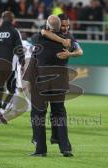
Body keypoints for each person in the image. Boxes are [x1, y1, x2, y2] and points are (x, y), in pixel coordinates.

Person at [25, 15, 75, 157]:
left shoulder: (39, 38)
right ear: (61, 26)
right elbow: (76, 49)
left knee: (38, 114)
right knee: (59, 112)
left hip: (42, 81)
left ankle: (40, 149)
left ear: (47, 25)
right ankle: (65, 148)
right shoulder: (68, 39)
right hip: (60, 81)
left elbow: (41, 34)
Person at [41, 14, 83, 145]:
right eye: (63, 25)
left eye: (68, 25)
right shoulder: (48, 33)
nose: (66, 28)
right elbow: (44, 32)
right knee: (54, 110)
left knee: (54, 110)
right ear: (58, 25)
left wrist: (69, 54)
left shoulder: (69, 37)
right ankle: (56, 139)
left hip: (54, 79)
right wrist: (62, 42)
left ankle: (50, 138)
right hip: (47, 79)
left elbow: (80, 51)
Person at [0, 11, 25, 124]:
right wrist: (22, 62)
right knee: (12, 90)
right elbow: (19, 48)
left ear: (2, 19)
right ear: (13, 20)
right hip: (10, 66)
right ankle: (1, 111)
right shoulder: (14, 31)